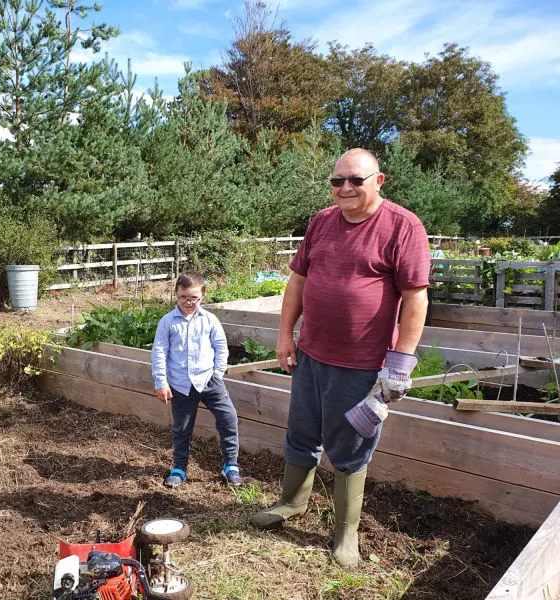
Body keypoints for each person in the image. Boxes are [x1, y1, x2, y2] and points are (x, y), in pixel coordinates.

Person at [251, 148, 430, 569]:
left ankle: (346, 532)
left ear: (378, 181)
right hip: (311, 354)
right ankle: (292, 502)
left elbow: (415, 298)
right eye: (337, 181)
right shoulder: (322, 221)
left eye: (355, 180)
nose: (345, 188)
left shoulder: (403, 226)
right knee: (301, 431)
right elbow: (298, 280)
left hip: (362, 363)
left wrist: (400, 363)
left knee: (350, 444)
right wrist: (285, 335)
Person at [151, 270, 242, 489]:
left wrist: (217, 373)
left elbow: (221, 347)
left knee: (228, 419)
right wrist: (161, 382)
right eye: (183, 297)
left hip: (209, 380)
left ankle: (230, 466)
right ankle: (179, 468)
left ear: (202, 296)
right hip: (181, 384)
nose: (188, 302)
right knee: (182, 428)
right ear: (176, 294)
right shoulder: (167, 322)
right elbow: (159, 352)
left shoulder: (210, 320)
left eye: (194, 298)